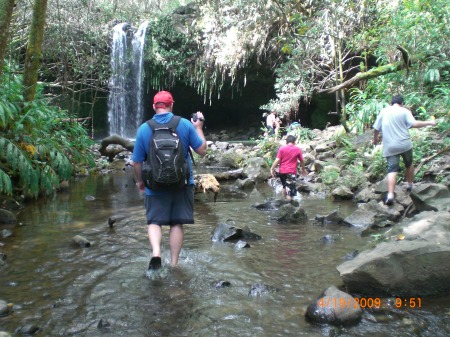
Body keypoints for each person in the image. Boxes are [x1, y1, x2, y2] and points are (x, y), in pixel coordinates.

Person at [132, 91, 207, 270]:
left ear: (153, 106)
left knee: (154, 221)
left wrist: (140, 181)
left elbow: (136, 162)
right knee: (176, 223)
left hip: (154, 184)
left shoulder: (144, 128)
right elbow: (202, 150)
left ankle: (156, 252)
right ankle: (174, 264)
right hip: (181, 182)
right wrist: (198, 127)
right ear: (171, 105)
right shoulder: (185, 124)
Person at [372, 95, 436, 205]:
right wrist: (429, 122)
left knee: (392, 170)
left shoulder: (384, 111)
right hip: (405, 144)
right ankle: (410, 185)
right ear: (402, 103)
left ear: (391, 103)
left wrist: (375, 140)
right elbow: (414, 124)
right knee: (409, 164)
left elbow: (376, 128)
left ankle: (391, 195)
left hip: (390, 146)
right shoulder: (404, 111)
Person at [270, 135, 308, 200]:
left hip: (282, 172)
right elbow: (301, 161)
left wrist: (272, 168)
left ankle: (285, 200)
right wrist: (303, 169)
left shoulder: (282, 148)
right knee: (291, 190)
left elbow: (278, 160)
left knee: (284, 187)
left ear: (286, 142)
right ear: (294, 142)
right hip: (291, 172)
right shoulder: (297, 149)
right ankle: (289, 205)